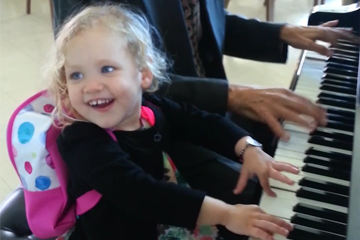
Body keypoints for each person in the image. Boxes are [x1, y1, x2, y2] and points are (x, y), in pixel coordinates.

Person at [50, 0, 359, 220]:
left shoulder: (149, 107)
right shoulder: (82, 140)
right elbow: (142, 194)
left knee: (279, 160)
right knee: (260, 208)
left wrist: (246, 148)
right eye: (77, 76)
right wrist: (226, 214)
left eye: (106, 69)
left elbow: (197, 120)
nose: (91, 86)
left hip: (162, 201)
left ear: (143, 74)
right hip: (132, 218)